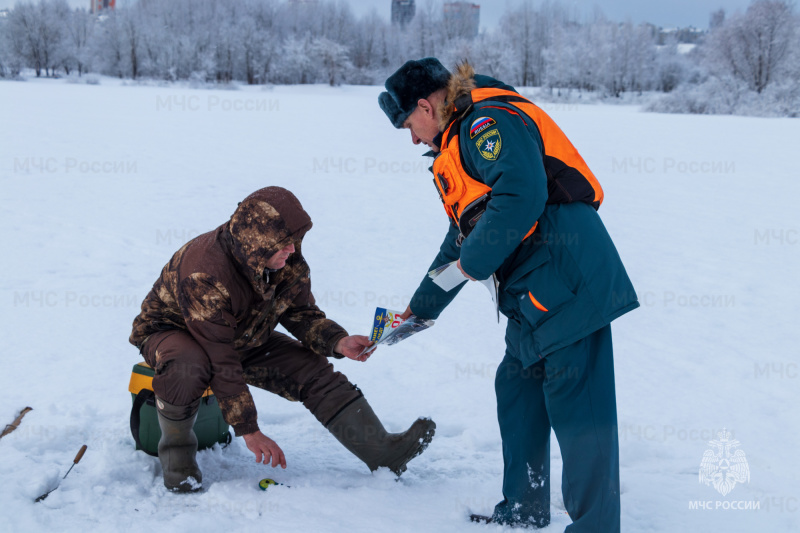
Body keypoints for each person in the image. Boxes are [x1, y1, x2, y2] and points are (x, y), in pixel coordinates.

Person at [378, 58, 639, 531]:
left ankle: (596, 526)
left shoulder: (485, 121)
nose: (413, 138)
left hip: (567, 280)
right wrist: (417, 311)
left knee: (579, 410)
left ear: (424, 105)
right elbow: (461, 236)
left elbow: (520, 196)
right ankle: (523, 509)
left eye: (408, 125)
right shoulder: (457, 143)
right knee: (516, 391)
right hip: (530, 294)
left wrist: (470, 266)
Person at [129, 186, 436, 492]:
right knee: (190, 364)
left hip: (238, 333)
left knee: (310, 369)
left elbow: (301, 313)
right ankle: (178, 465)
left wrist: (337, 341)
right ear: (257, 243)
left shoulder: (282, 258)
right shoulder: (205, 273)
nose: (292, 250)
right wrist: (249, 430)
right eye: (284, 244)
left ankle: (382, 452)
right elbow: (220, 359)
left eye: (294, 241)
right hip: (172, 332)